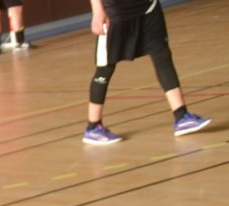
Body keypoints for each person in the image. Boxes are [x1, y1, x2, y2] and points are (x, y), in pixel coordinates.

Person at [83, 0, 211, 144]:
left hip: (148, 7)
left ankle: (181, 116)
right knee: (105, 68)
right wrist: (98, 11)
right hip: (116, 12)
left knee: (162, 55)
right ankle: (93, 127)